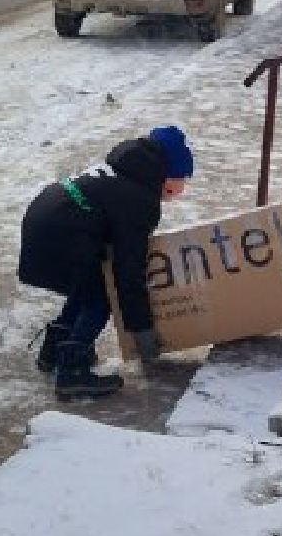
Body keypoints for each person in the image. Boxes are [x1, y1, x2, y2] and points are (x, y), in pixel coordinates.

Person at [18, 127, 194, 400]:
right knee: (101, 294)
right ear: (167, 176)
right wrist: (142, 330)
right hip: (60, 233)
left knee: (87, 281)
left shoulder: (125, 172)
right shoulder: (139, 200)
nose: (179, 190)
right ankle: (72, 372)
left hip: (44, 221)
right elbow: (129, 270)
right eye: (181, 180)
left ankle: (54, 349)